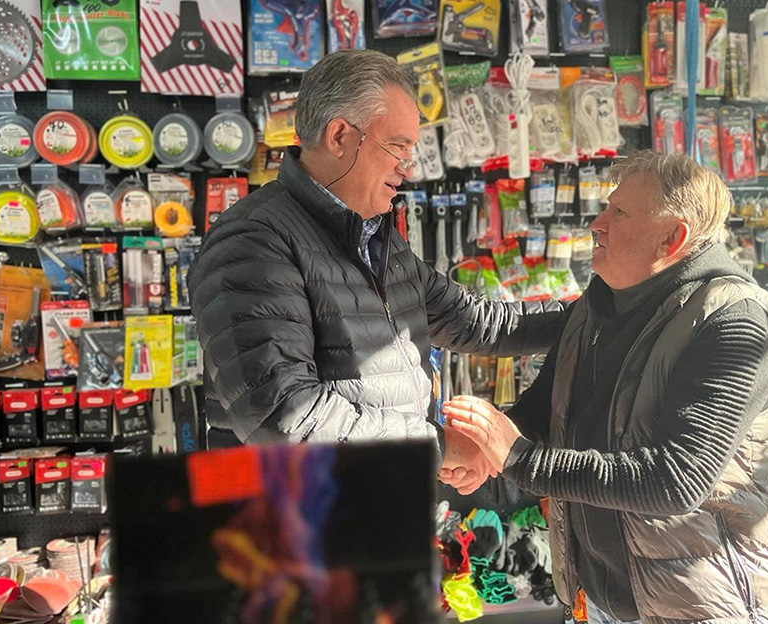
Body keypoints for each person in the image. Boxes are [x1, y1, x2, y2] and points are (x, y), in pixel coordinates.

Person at [440, 151, 768, 624]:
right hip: (602, 602)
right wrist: (486, 450)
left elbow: (676, 480)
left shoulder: (734, 321)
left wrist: (517, 457)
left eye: (619, 212)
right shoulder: (599, 307)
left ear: (672, 238)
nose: (597, 223)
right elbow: (546, 410)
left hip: (707, 607)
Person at [188, 49, 565, 487]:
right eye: (398, 147)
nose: (409, 168)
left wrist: (597, 310)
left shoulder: (373, 235)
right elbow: (284, 415)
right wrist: (437, 446)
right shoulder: (253, 241)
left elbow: (474, 321)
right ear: (339, 136)